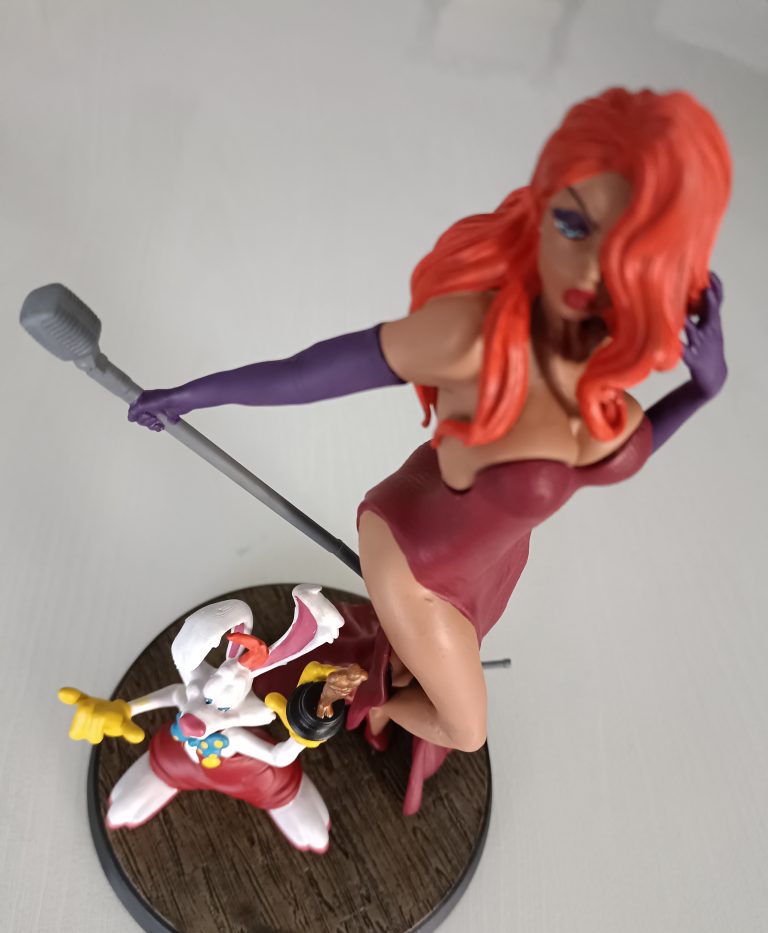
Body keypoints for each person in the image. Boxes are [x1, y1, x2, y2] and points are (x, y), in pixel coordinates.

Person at [128, 87, 731, 813]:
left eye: (627, 253)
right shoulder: (473, 337)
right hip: (417, 564)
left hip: (493, 556)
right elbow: (310, 373)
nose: (587, 274)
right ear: (542, 207)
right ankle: (370, 705)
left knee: (431, 673)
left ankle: (387, 683)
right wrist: (193, 394)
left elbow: (630, 444)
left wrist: (704, 388)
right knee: (467, 730)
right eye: (572, 224)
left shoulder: (602, 371)